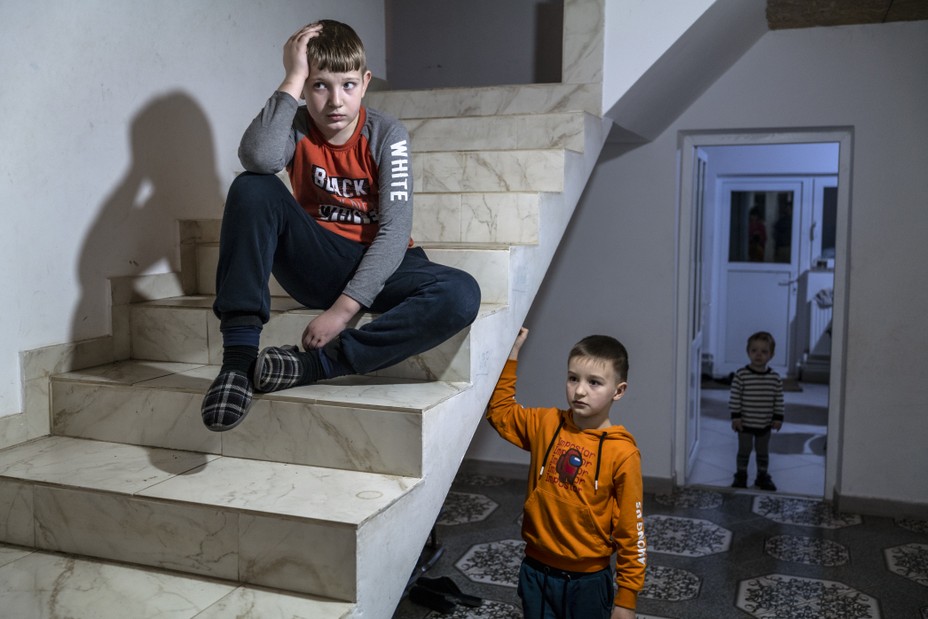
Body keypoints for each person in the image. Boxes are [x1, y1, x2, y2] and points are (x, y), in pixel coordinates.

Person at [201, 20, 480, 431]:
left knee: (460, 293)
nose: (336, 101)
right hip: (318, 260)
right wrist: (292, 77)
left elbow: (393, 231)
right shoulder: (295, 126)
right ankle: (238, 365)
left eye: (348, 85)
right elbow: (258, 158)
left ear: (366, 83)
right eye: (319, 85)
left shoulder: (387, 134)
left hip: (384, 265)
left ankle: (314, 366)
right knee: (252, 187)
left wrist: (342, 312)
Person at [487, 328, 646, 619]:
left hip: (588, 581)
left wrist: (626, 599)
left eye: (594, 382)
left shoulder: (623, 454)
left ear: (618, 391)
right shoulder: (546, 424)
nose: (580, 390)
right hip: (536, 571)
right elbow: (500, 411)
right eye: (573, 378)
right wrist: (511, 354)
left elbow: (631, 531)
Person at [730, 331, 785, 490]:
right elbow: (735, 397)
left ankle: (762, 476)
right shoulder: (741, 375)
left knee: (762, 452)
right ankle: (741, 475)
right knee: (744, 450)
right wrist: (736, 417)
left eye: (764, 351)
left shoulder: (775, 378)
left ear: (771, 355)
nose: (758, 355)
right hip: (745, 423)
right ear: (748, 352)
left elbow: (778, 399)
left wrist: (778, 418)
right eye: (754, 350)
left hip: (764, 423)